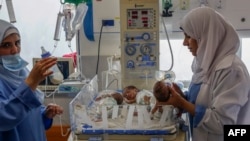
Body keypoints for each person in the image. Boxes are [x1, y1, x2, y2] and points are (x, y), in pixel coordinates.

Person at [156, 6, 250, 141]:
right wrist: (182, 96)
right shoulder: (206, 64)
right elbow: (204, 100)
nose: (184, 43)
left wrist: (182, 103)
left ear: (205, 36)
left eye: (189, 36)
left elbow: (222, 123)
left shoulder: (231, 70)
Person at [0, 19, 63, 141]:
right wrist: (31, 83)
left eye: (17, 43)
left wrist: (45, 114)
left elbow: (28, 114)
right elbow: (3, 117)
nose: (15, 50)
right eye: (6, 45)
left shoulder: (22, 72)